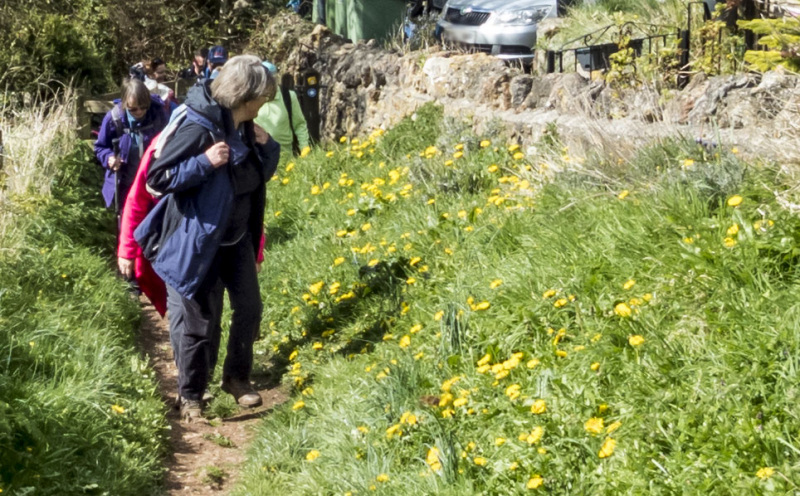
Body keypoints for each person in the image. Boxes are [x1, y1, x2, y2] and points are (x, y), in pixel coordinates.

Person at [135, 55, 280, 422]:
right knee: (199, 324)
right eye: (262, 97)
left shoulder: (245, 126)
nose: (265, 103)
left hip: (237, 240)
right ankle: (191, 398)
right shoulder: (198, 127)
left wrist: (270, 147)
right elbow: (157, 178)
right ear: (243, 96)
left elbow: (256, 177)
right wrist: (203, 163)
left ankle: (236, 378)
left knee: (249, 309)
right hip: (199, 243)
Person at [94, 78, 167, 212]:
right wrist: (109, 157)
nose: (139, 112)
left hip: (152, 184)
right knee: (126, 228)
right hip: (124, 186)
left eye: (143, 107)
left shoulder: (158, 115)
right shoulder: (113, 118)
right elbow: (100, 147)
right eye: (133, 109)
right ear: (124, 104)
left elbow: (170, 141)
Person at [254, 61, 310, 158]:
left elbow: (300, 125)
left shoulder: (288, 96)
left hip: (285, 158)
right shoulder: (251, 99)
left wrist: (304, 149)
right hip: (259, 158)